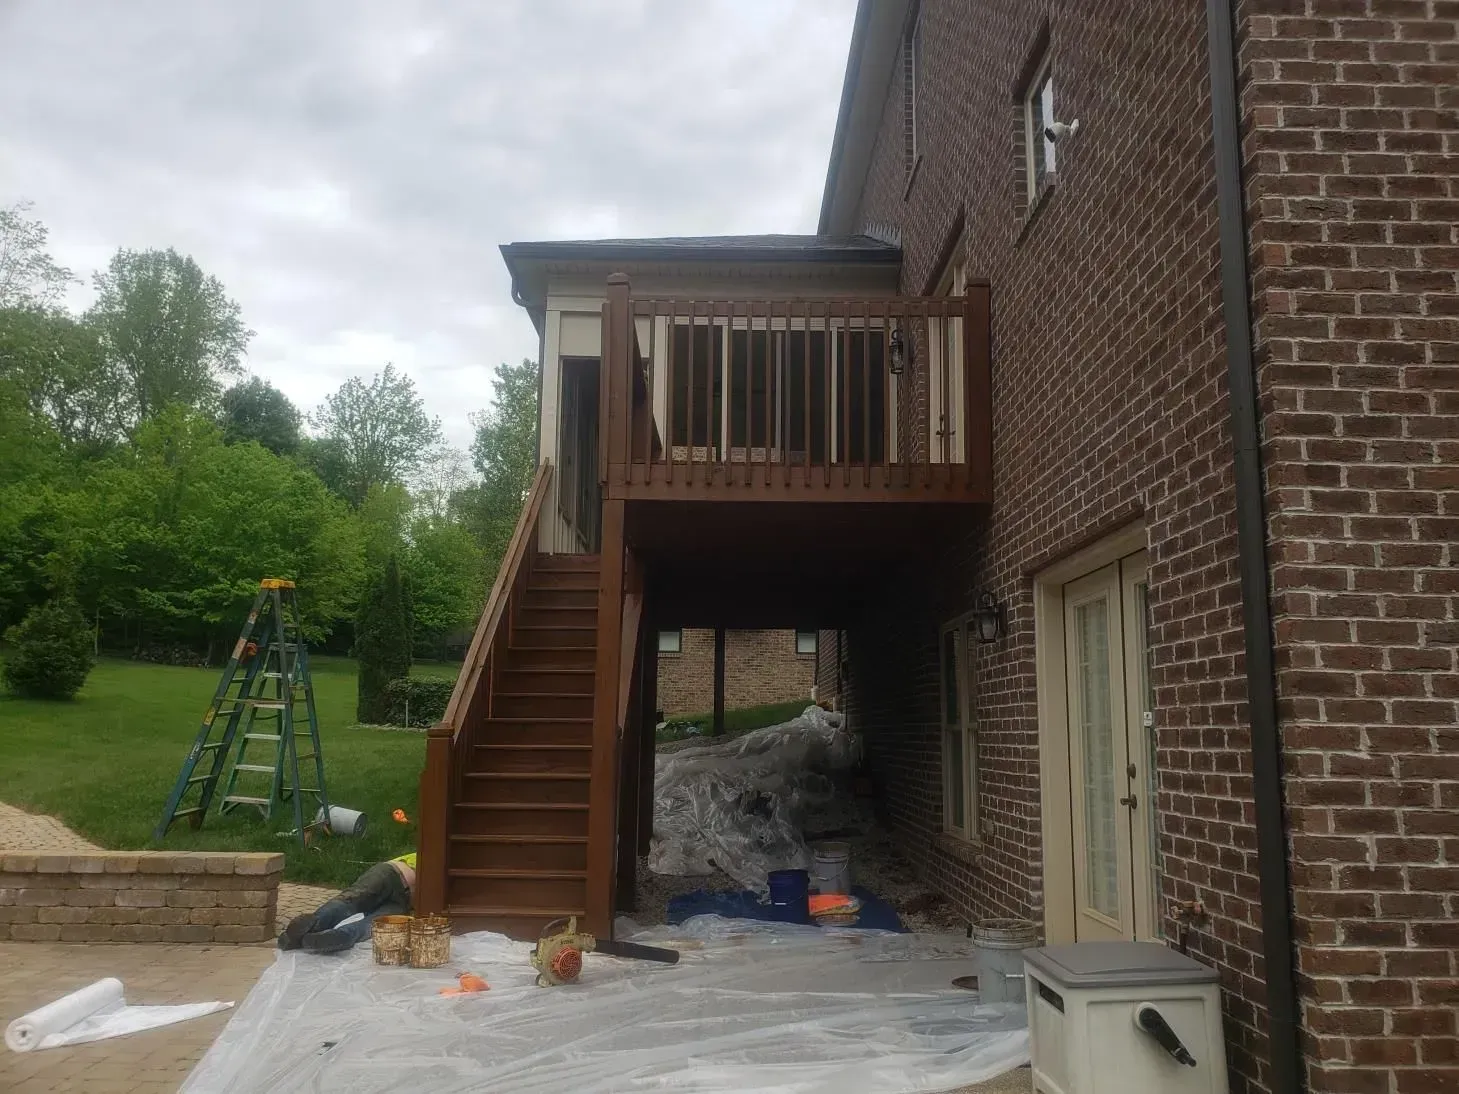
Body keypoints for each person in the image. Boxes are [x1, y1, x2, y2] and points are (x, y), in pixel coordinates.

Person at [278, 851, 416, 954]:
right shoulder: (430, 852)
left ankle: (338, 937)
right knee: (351, 901)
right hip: (391, 873)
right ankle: (311, 925)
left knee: (375, 923)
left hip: (404, 901)